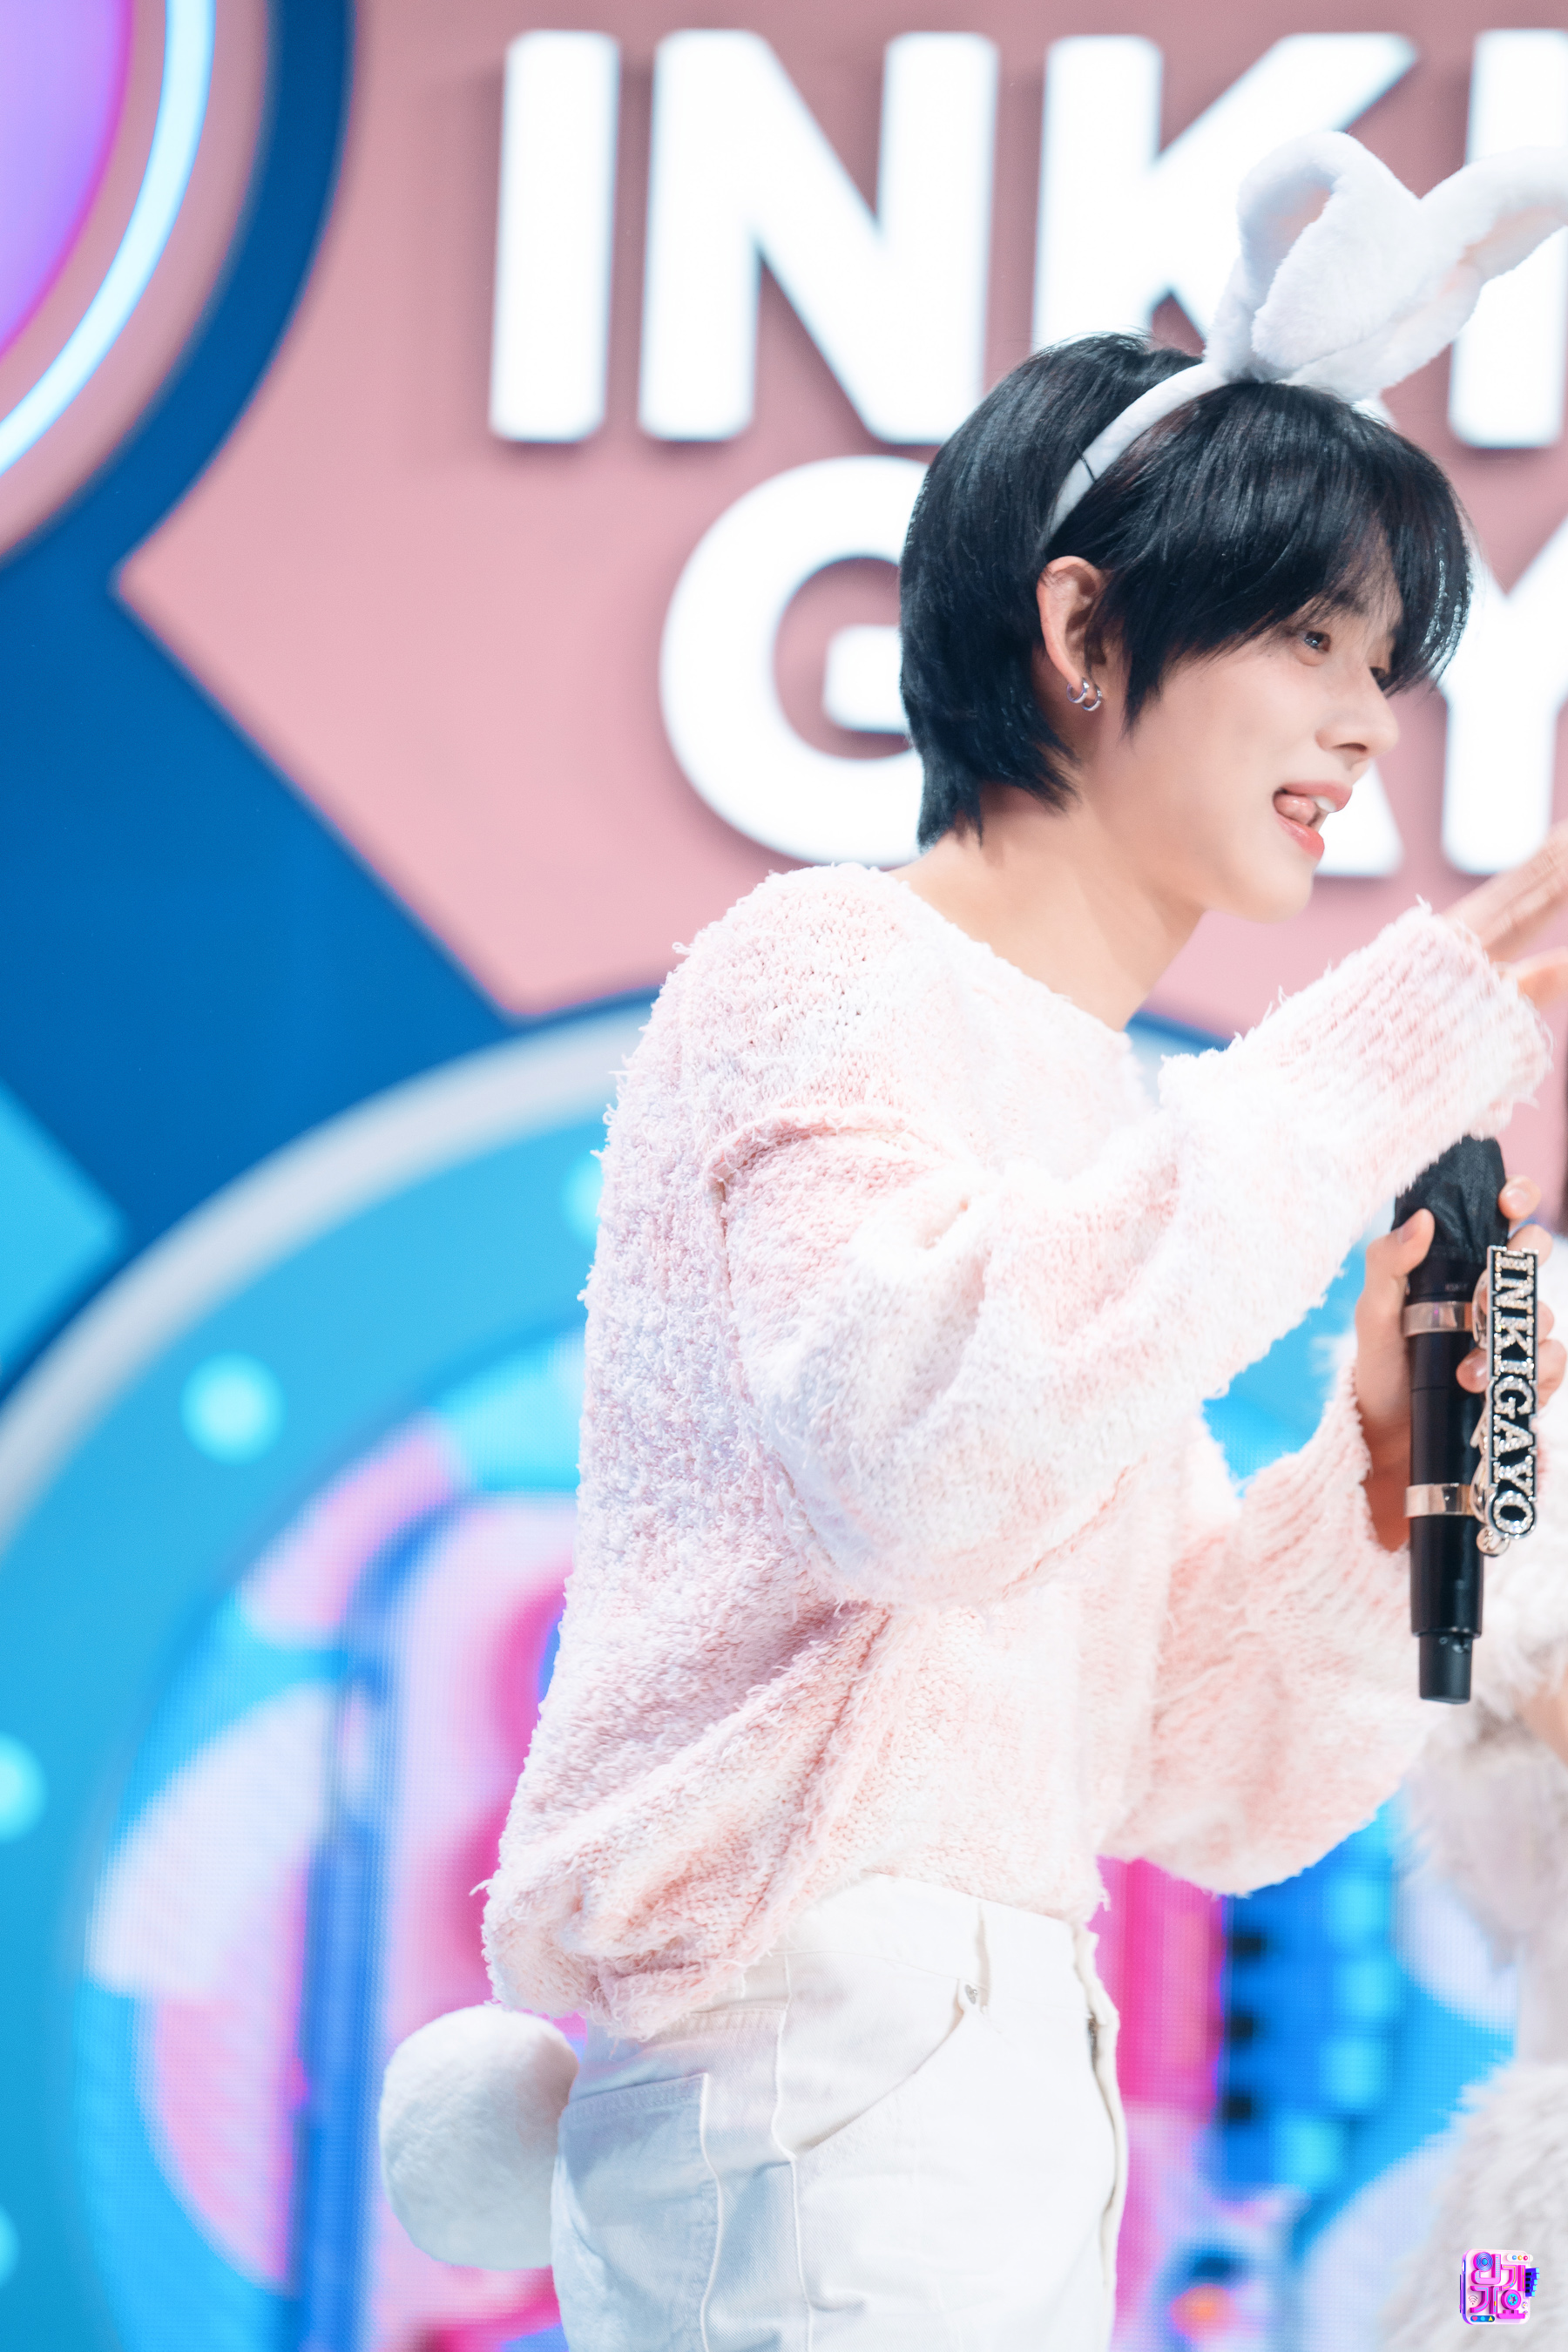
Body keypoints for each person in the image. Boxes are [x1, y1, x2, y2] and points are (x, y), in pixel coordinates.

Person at [380, 134, 1568, 2351]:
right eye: (1308, 636)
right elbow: (919, 1456)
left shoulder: (1090, 1111)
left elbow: (1197, 1768)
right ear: (1085, 629)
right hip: (815, 2081)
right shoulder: (822, 975)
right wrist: (1413, 1032)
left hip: (992, 2094)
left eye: (1384, 662)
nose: (1361, 725)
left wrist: (1381, 1480)